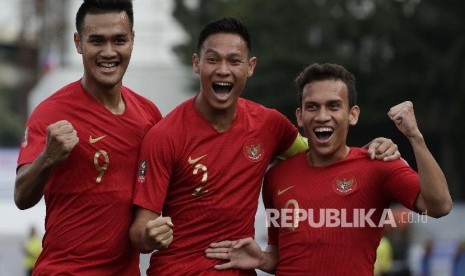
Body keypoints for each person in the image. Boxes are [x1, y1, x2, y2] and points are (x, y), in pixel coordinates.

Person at [129, 18, 400, 276]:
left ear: (250, 66)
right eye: (213, 59)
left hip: (239, 269)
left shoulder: (269, 125)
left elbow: (323, 151)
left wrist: (371, 151)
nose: (223, 69)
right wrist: (151, 235)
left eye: (234, 60)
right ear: (197, 64)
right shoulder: (164, 136)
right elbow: (139, 232)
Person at [205, 63, 452, 275]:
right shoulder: (275, 177)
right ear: (300, 117)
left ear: (353, 114)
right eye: (312, 107)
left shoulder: (379, 164)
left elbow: (440, 206)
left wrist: (415, 136)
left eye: (333, 106)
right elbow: (282, 254)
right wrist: (261, 259)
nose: (322, 116)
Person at [14, 0, 163, 274]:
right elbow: (21, 196)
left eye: (119, 40)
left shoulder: (150, 116)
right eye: (96, 41)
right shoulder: (51, 113)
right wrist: (48, 158)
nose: (109, 52)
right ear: (78, 43)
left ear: (132, 40)